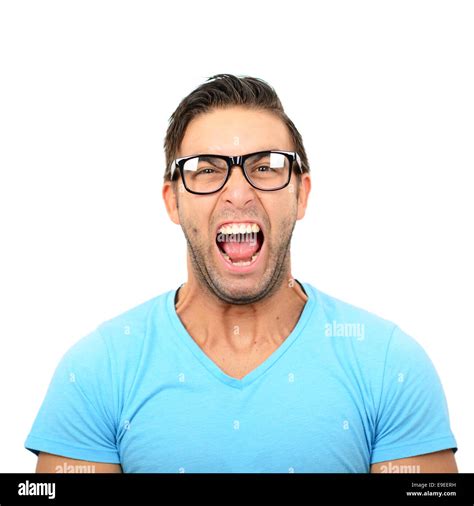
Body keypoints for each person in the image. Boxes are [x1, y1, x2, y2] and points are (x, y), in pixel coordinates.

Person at [25, 74, 458, 473]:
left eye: (265, 166)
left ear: (301, 194)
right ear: (172, 201)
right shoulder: (98, 370)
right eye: (207, 169)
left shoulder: (390, 365)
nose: (238, 192)